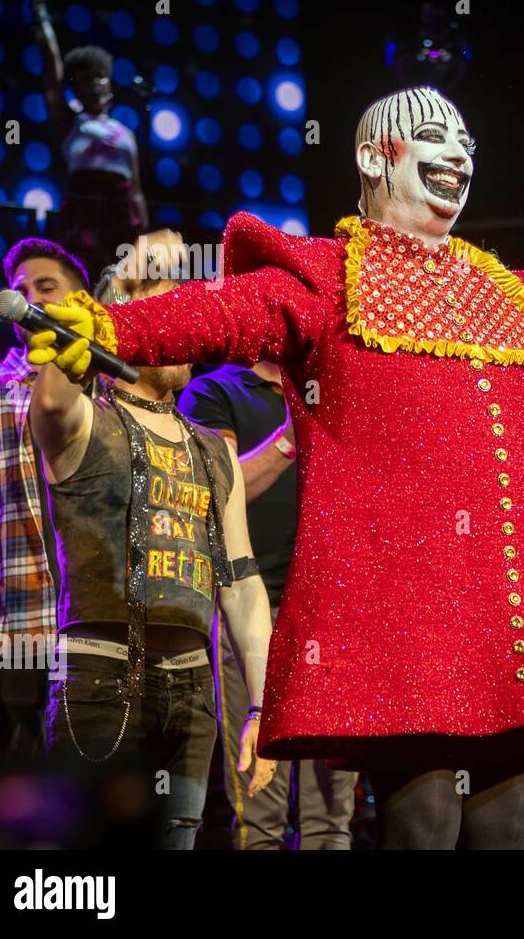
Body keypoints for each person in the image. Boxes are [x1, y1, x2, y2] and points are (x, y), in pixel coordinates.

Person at [30, 86, 524, 850]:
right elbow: (224, 310)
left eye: (469, 146)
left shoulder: (503, 297)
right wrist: (109, 327)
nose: (459, 155)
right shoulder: (329, 276)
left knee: (508, 826)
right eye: (433, 136)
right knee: (421, 824)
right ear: (371, 155)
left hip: (506, 613)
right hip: (404, 614)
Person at [27, 260, 276, 849]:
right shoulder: (86, 417)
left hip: (192, 689)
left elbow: (240, 585)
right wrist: (90, 324)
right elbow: (56, 402)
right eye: (167, 317)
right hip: (99, 674)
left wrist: (263, 707)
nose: (183, 332)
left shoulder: (214, 451)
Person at [177, 361, 358, 849]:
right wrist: (290, 436)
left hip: (336, 617)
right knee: (259, 810)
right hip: (255, 617)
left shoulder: (344, 383)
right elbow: (218, 495)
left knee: (332, 816)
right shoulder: (214, 390)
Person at [0, 239, 92, 769]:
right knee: (15, 789)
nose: (30, 299)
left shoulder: (106, 388)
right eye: (20, 291)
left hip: (94, 626)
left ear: (80, 299)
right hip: (11, 627)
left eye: (45, 287)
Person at [29, 0, 147, 276]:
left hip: (120, 218)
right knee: (81, 279)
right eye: (85, 78)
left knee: (118, 288)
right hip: (83, 216)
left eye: (100, 77)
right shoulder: (73, 122)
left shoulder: (125, 133)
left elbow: (137, 191)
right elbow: (52, 73)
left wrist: (143, 234)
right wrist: (40, 12)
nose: (95, 84)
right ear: (76, 87)